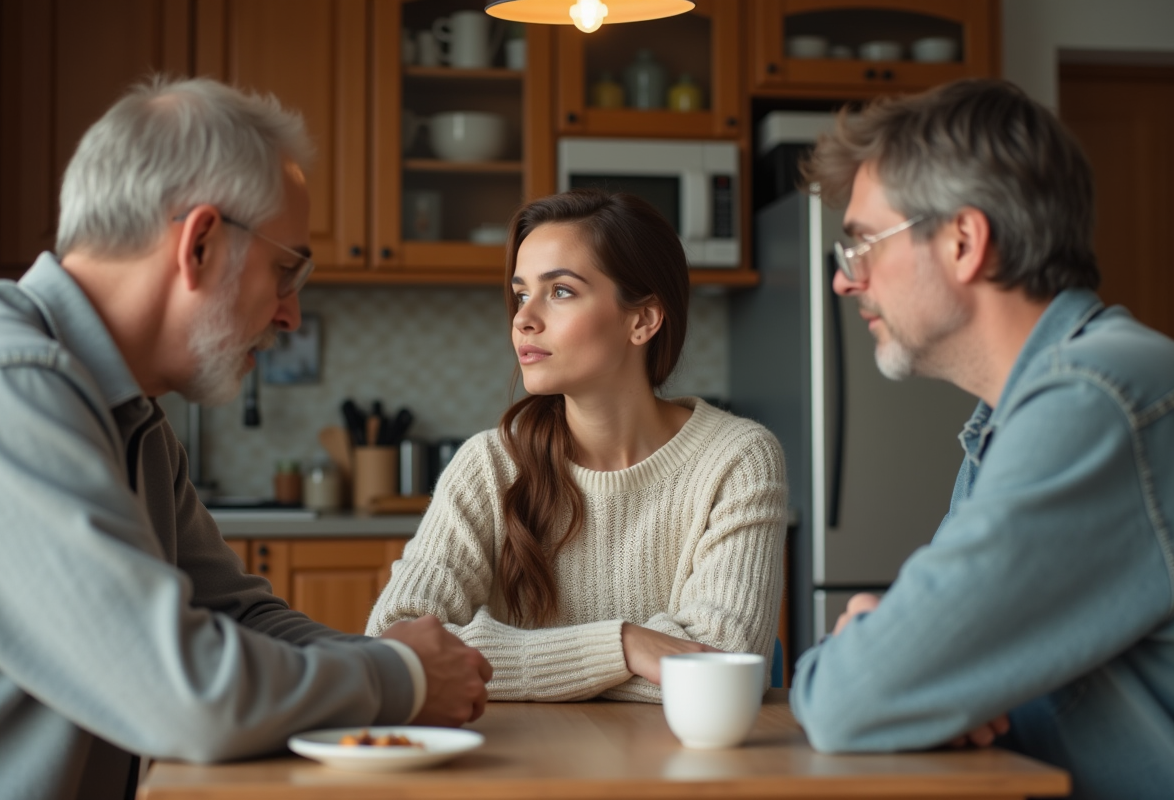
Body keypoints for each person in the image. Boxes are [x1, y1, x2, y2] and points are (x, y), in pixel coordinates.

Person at [0, 76, 491, 800]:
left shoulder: (131, 415)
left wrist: (388, 659)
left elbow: (239, 614)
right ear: (201, 243)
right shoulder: (4, 387)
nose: (291, 316)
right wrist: (399, 676)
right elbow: (185, 695)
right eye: (287, 270)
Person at [788, 78, 1174, 799]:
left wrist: (874, 659)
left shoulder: (1092, 401)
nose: (847, 283)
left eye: (864, 244)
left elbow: (855, 695)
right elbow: (916, 667)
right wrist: (920, 676)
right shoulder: (1011, 417)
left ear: (964, 241)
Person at [366, 189, 787, 702]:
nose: (524, 318)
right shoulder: (488, 466)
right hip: (517, 775)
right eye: (521, 294)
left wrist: (499, 659)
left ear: (643, 320)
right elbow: (394, 643)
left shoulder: (737, 460)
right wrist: (625, 645)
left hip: (673, 777)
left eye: (560, 291)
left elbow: (717, 665)